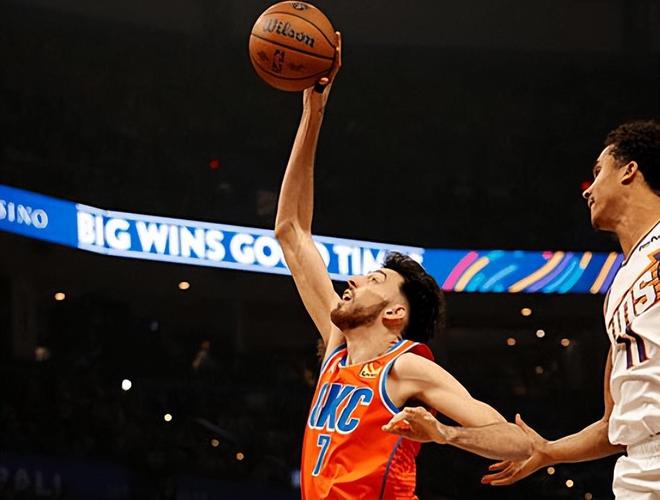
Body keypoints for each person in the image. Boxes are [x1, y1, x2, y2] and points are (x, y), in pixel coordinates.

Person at [274, 32, 532, 500]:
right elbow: (291, 230)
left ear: (395, 313)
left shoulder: (406, 367)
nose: (352, 280)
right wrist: (313, 112)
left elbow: (518, 443)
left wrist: (444, 433)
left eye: (374, 279)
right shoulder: (337, 351)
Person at [476, 120, 660, 499]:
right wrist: (547, 451)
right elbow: (612, 424)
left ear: (629, 170)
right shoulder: (617, 289)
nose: (588, 190)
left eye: (598, 171)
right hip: (638, 470)